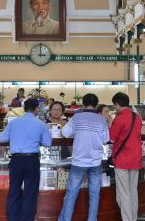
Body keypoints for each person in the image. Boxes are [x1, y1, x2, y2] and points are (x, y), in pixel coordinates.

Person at [59, 93, 110, 221]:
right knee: (94, 194)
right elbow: (106, 140)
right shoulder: (101, 120)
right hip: (95, 162)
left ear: (83, 103)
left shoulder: (76, 118)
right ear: (96, 104)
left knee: (71, 194)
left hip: (78, 162)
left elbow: (65, 133)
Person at [0, 99, 52, 221]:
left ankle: (12, 218)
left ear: (24, 109)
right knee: (30, 193)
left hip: (16, 160)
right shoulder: (41, 124)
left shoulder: (14, 123)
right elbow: (47, 143)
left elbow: (2, 139)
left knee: (14, 191)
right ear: (36, 109)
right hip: (31, 161)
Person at [109, 92, 142, 221]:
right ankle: (133, 218)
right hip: (136, 158)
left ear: (117, 104)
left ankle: (127, 219)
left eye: (114, 105)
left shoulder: (119, 118)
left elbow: (111, 139)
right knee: (133, 191)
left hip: (122, 159)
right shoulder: (137, 117)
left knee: (123, 193)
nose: (114, 108)